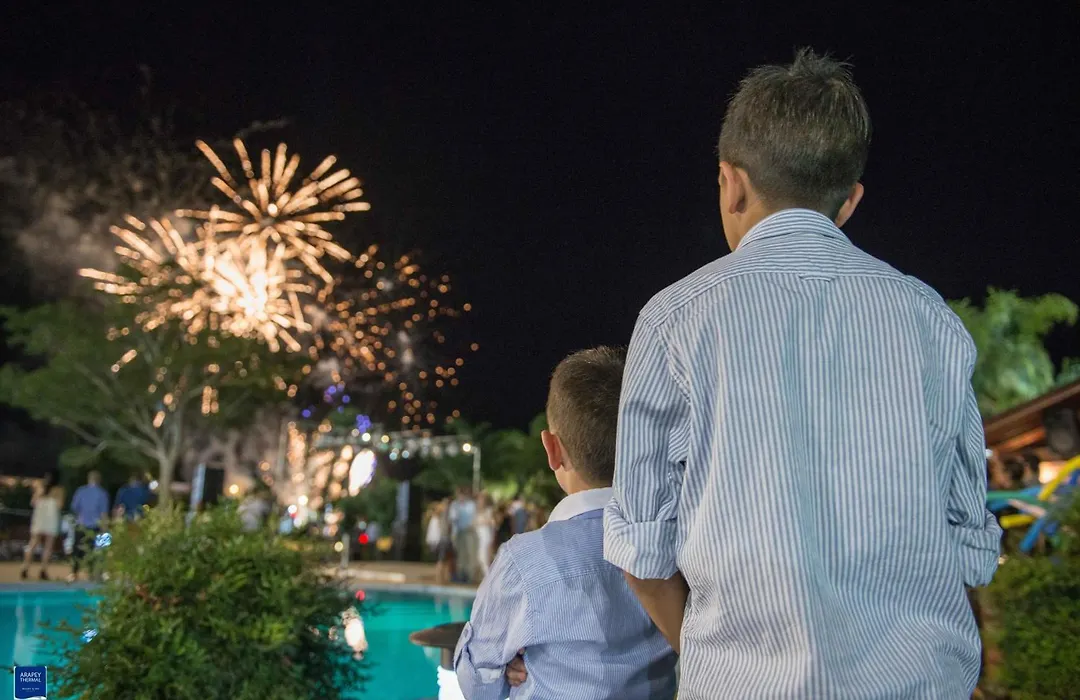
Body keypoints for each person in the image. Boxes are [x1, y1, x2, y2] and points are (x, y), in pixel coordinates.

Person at [602, 49, 1001, 699]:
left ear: (730, 182)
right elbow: (968, 549)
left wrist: (716, 666)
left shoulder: (676, 319)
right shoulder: (931, 320)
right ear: (849, 202)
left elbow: (644, 561)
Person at [454, 347, 676, 699]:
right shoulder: (678, 543)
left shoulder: (524, 561)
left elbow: (478, 683)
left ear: (552, 449)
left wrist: (507, 666)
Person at [69, 470, 110, 581]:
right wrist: (105, 530)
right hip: (96, 526)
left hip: (81, 525)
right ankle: (94, 573)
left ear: (88, 479)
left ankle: (73, 573)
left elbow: (75, 508)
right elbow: (104, 514)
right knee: (96, 550)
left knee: (77, 550)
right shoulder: (102, 493)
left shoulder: (80, 491)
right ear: (99, 480)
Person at [22, 470, 64, 580]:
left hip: (39, 516)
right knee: (48, 546)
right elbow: (60, 505)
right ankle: (43, 570)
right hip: (51, 517)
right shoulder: (59, 490)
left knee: (33, 543)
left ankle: (25, 568)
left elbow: (33, 503)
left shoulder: (40, 488)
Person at [448, 486, 478, 583]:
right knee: (459, 555)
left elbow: (474, 518)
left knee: (470, 554)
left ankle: (469, 576)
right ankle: (461, 575)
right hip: (458, 532)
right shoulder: (454, 505)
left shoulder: (471, 504)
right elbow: (452, 519)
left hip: (469, 532)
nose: (461, 497)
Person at [474, 492, 496, 578]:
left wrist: (482, 522)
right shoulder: (476, 511)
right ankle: (487, 576)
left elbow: (493, 523)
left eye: (481, 499)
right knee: (480, 558)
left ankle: (488, 577)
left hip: (486, 536)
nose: (480, 501)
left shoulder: (489, 510)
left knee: (483, 558)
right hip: (478, 537)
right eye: (479, 499)